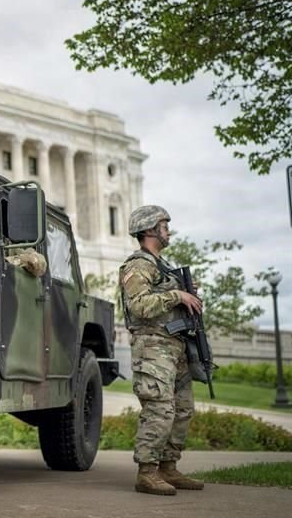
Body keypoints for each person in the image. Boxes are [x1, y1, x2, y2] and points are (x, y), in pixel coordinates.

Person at [119, 205, 205, 495]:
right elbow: (139, 306)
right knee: (159, 409)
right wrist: (175, 295)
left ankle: (169, 467)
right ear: (149, 230)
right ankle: (147, 471)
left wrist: (187, 295)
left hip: (175, 347)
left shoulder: (163, 265)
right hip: (153, 348)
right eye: (164, 225)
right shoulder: (139, 264)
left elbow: (167, 301)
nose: (168, 230)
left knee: (183, 409)